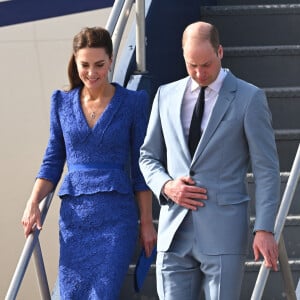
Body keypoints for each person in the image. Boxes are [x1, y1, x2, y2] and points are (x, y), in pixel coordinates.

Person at [139, 21, 280, 300]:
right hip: (174, 232)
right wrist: (167, 186)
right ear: (183, 55)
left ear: (220, 52)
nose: (200, 73)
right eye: (192, 65)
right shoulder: (165, 96)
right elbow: (147, 156)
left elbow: (266, 169)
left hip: (224, 231)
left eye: (206, 64)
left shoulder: (249, 98)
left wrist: (263, 228)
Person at [21, 26, 157, 300]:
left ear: (110, 61)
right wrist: (33, 201)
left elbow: (141, 168)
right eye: (85, 65)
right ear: (75, 61)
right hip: (75, 218)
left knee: (102, 294)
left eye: (99, 65)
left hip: (116, 218)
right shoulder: (61, 102)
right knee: (71, 294)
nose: (92, 73)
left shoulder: (133, 102)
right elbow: (53, 160)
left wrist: (146, 221)